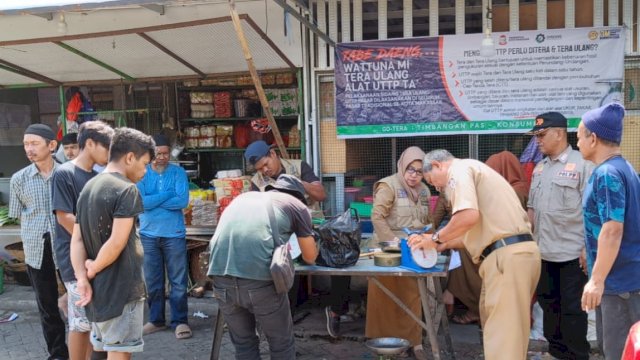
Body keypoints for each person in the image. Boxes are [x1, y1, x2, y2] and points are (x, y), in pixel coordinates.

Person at [409, 149, 541, 360]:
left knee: (504, 337)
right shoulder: (475, 170)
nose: (436, 187)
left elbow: (468, 216)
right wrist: (443, 245)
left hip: (507, 257)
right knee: (500, 332)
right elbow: (478, 234)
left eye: (432, 180)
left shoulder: (459, 170)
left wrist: (433, 240)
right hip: (510, 255)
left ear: (437, 165)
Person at [207, 174, 318, 359]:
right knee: (281, 344)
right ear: (299, 196)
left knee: (244, 344)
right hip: (259, 282)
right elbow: (310, 256)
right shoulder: (297, 206)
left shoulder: (243, 198)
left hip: (220, 279)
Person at [70, 127, 155, 360]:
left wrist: (82, 277)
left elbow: (76, 239)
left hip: (97, 291)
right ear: (129, 157)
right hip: (121, 289)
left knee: (100, 348)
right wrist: (93, 268)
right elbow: (117, 242)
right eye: (144, 163)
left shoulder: (89, 186)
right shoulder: (127, 189)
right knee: (119, 351)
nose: (145, 171)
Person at [526, 112, 592, 360]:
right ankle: (556, 353)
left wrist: (587, 247)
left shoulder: (583, 164)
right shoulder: (539, 169)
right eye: (536, 136)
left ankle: (576, 356)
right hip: (544, 253)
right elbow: (531, 210)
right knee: (548, 306)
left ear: (559, 133)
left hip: (572, 254)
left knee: (573, 311)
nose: (537, 141)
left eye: (541, 135)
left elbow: (592, 210)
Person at [577, 102, 640, 360]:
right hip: (624, 279)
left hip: (619, 283)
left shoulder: (607, 174)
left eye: (579, 136)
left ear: (593, 138)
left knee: (618, 353)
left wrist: (597, 280)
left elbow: (612, 229)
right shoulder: (624, 169)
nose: (577, 142)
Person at [51, 121, 113, 360]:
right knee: (80, 322)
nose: (109, 154)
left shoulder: (96, 175)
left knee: (92, 320)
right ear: (89, 143)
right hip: (74, 257)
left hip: (96, 257)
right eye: (106, 147)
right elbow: (64, 217)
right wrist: (94, 238)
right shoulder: (65, 173)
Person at [9, 123, 69, 360]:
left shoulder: (68, 174)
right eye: (26, 144)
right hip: (36, 248)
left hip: (67, 245)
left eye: (34, 143)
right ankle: (57, 354)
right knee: (47, 306)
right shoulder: (19, 179)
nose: (29, 149)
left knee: (81, 301)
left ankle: (84, 351)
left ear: (51, 145)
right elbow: (18, 213)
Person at [365, 146, 431, 359]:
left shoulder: (424, 191)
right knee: (385, 298)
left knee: (412, 295)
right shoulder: (389, 185)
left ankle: (413, 341)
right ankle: (382, 344)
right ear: (402, 166)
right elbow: (377, 217)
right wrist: (392, 243)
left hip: (413, 251)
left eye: (419, 171)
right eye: (410, 169)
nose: (414, 175)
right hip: (388, 252)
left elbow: (426, 221)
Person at [136, 134, 191, 339]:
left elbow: (182, 201)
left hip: (174, 234)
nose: (162, 157)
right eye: (158, 153)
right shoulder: (141, 174)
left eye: (166, 153)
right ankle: (156, 320)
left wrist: (155, 200)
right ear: (150, 154)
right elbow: (142, 203)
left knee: (178, 280)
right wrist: (168, 194)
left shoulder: (178, 173)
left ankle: (180, 321)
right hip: (148, 234)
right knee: (153, 280)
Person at [244, 140, 325, 219]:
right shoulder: (257, 182)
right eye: (260, 169)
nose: (265, 170)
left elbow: (321, 195)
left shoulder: (299, 166)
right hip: (280, 227)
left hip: (311, 223)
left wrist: (299, 183)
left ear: (273, 153)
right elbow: (257, 212)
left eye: (266, 164)